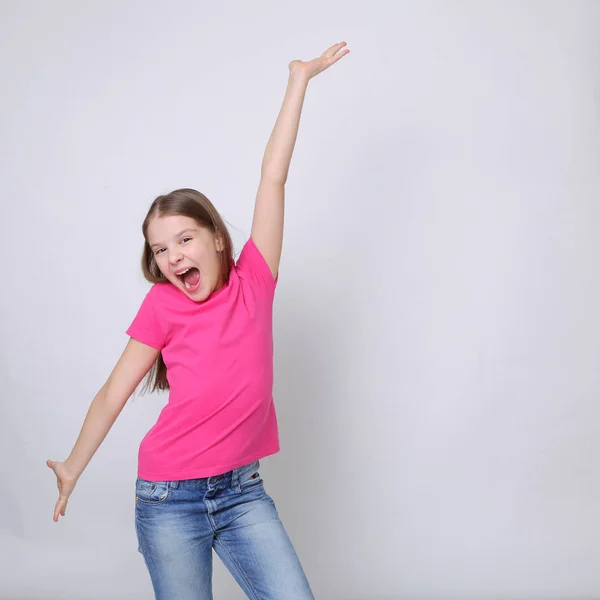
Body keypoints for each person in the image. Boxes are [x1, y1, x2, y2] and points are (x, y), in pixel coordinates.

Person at [46, 41, 350, 599]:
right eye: (160, 250)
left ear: (215, 237)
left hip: (243, 493)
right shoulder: (162, 304)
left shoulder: (254, 282)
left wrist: (299, 82)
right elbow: (114, 393)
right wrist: (72, 465)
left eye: (184, 239)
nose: (174, 256)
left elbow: (272, 180)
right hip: (169, 497)